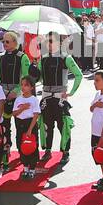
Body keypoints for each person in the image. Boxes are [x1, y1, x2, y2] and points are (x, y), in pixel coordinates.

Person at [38, 31, 83, 165]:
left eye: (51, 41)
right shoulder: (43, 58)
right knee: (46, 125)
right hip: (46, 97)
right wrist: (34, 72)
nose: (49, 44)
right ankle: (47, 151)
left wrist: (71, 93)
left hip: (60, 98)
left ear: (59, 42)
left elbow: (79, 75)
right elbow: (40, 78)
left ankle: (65, 152)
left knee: (63, 126)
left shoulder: (66, 58)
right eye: (47, 41)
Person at [0, 31, 32, 173]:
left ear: (15, 43)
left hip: (18, 96)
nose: (5, 44)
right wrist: (1, 91)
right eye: (3, 41)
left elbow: (26, 78)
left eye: (7, 42)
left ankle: (24, 157)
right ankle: (5, 158)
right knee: (4, 128)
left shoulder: (23, 57)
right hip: (3, 96)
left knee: (21, 127)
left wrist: (17, 91)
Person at [12, 76, 42, 180]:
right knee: (21, 146)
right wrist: (22, 108)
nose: (23, 87)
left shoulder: (34, 99)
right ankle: (25, 168)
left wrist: (30, 129)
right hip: (20, 124)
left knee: (32, 146)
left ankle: (32, 168)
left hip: (30, 124)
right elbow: (14, 113)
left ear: (32, 87)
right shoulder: (18, 99)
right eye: (22, 85)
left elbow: (36, 115)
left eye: (26, 85)